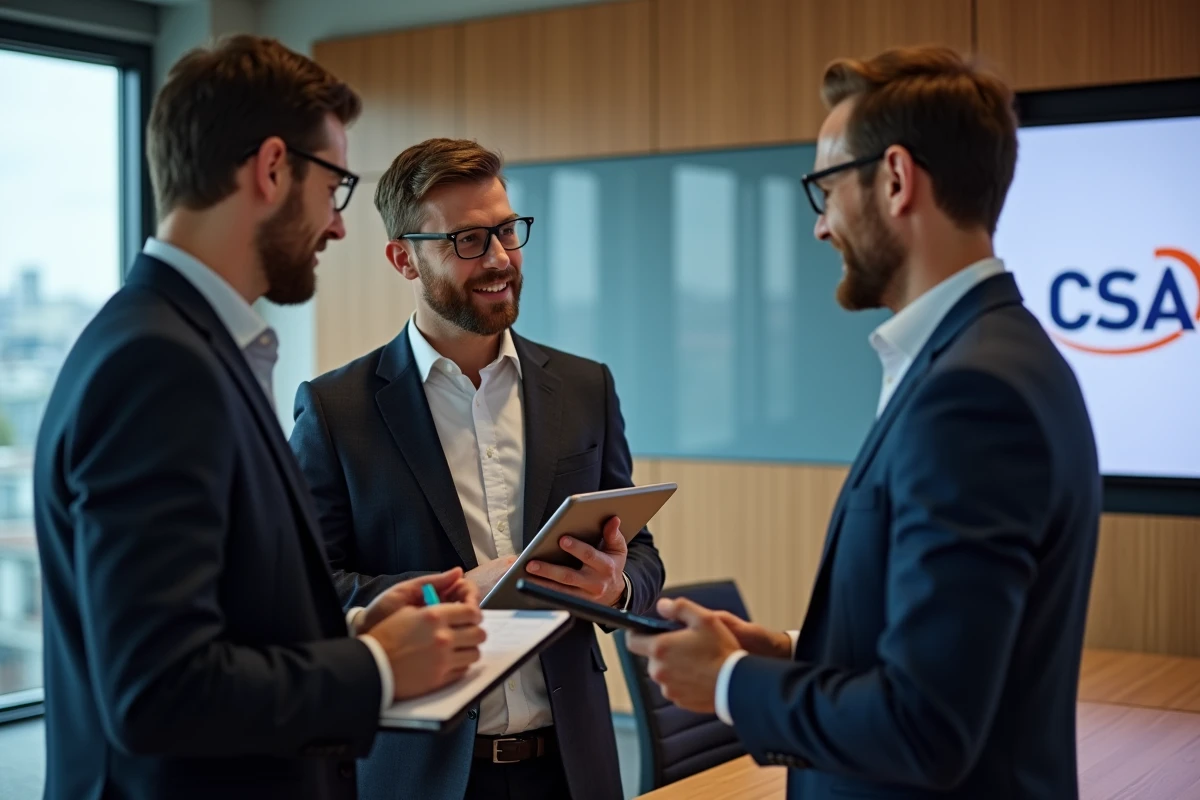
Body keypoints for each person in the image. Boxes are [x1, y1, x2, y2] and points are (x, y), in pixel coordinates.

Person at [627, 45, 1101, 800]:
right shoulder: (996, 354)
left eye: (826, 189)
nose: (821, 228)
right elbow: (947, 656)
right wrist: (788, 651)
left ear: (895, 179)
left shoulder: (972, 393)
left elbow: (926, 726)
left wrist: (729, 683)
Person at [33, 35, 485, 800]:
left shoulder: (174, 341)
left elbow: (219, 618)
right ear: (273, 168)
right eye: (335, 187)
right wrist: (377, 669)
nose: (338, 226)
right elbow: (157, 691)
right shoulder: (159, 365)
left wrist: (357, 631)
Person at [289, 137, 665, 800]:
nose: (498, 259)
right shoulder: (335, 410)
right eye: (467, 240)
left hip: (571, 768)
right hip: (420, 774)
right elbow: (306, 593)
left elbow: (639, 552)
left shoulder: (586, 388)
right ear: (403, 259)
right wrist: (457, 590)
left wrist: (616, 587)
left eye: (506, 231)